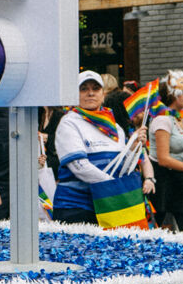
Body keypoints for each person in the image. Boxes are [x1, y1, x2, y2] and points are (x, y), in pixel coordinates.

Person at [53, 71, 148, 225]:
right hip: (77, 208)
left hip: (110, 207)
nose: (90, 93)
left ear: (103, 95)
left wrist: (133, 148)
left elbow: (122, 169)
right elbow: (79, 167)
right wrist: (113, 188)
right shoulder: (69, 123)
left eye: (95, 89)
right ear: (74, 95)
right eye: (83, 89)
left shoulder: (115, 127)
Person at [148, 70, 183, 231]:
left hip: (181, 179)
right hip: (163, 180)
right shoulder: (162, 120)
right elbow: (164, 159)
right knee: (157, 230)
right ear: (172, 94)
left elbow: (182, 153)